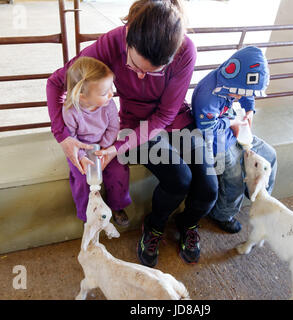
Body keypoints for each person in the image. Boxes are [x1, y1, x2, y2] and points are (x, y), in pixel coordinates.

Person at [46, 0, 218, 267]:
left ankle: (189, 223)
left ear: (173, 55)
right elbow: (56, 81)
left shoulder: (187, 51)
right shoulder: (111, 42)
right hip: (134, 126)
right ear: (127, 38)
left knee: (209, 188)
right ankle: (154, 227)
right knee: (179, 179)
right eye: (134, 67)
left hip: (176, 119)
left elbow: (164, 116)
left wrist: (115, 149)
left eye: (152, 72)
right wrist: (63, 136)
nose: (139, 78)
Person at [192, 46, 277, 234]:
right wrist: (232, 122)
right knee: (234, 175)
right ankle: (223, 214)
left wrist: (249, 112)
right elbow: (207, 128)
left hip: (234, 127)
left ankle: (260, 194)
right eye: (240, 93)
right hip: (215, 140)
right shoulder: (207, 96)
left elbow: (248, 95)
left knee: (270, 154)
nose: (241, 96)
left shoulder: (236, 84)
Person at [62, 56, 131, 225]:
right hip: (81, 151)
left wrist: (104, 148)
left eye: (110, 88)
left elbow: (114, 127)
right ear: (82, 97)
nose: (111, 94)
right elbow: (71, 138)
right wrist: (84, 156)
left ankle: (117, 205)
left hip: (105, 145)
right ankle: (88, 213)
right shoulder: (70, 111)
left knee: (119, 171)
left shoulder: (108, 104)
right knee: (82, 178)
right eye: (103, 92)